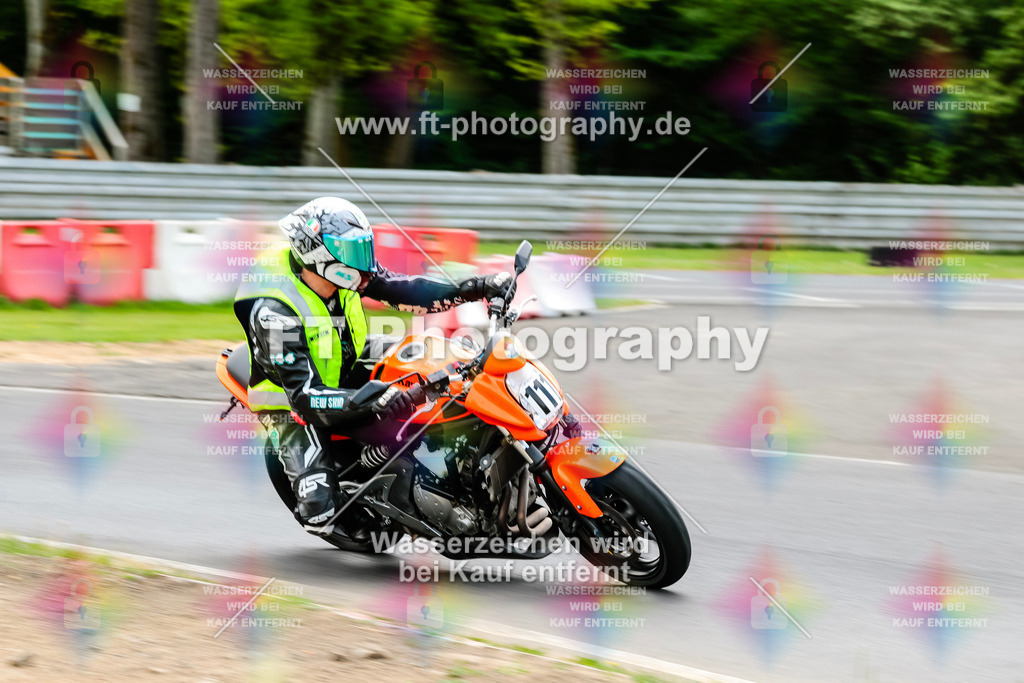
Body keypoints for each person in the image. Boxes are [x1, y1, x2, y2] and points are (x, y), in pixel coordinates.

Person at [232, 197, 513, 540]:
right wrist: (375, 400)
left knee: (442, 357)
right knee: (319, 512)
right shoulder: (275, 312)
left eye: (362, 248)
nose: (364, 264)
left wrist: (476, 287)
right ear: (318, 254)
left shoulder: (347, 273)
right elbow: (305, 396)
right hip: (293, 404)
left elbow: (406, 289)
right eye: (351, 251)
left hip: (345, 354)